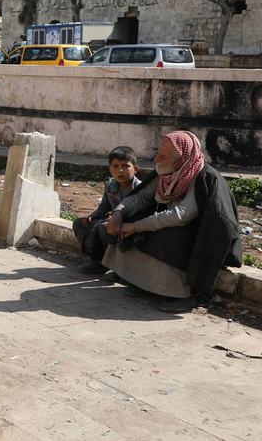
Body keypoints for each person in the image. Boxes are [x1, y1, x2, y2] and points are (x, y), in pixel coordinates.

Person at [101, 131, 242, 313]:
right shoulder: (167, 170)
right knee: (130, 219)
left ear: (181, 157)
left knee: (168, 237)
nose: (157, 158)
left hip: (202, 234)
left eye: (163, 156)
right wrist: (119, 212)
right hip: (169, 221)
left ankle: (184, 295)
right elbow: (142, 197)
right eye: (158, 152)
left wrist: (136, 227)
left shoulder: (202, 176)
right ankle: (142, 282)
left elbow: (181, 215)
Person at [73, 147, 142, 275]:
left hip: (129, 225)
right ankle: (97, 261)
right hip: (110, 220)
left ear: (135, 169)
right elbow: (104, 207)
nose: (120, 170)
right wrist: (91, 216)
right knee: (79, 223)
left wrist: (116, 216)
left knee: (103, 227)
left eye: (125, 166)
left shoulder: (140, 188)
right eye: (115, 166)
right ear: (110, 169)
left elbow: (139, 211)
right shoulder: (110, 185)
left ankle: (114, 265)